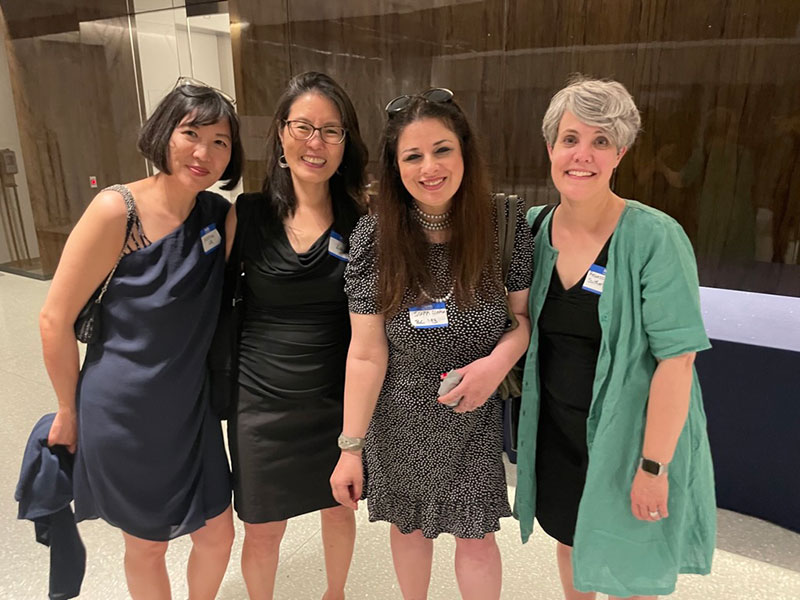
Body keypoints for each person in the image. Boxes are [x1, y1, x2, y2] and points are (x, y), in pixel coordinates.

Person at [513, 75, 716, 599]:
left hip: (631, 441)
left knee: (631, 559)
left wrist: (654, 466)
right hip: (559, 434)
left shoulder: (654, 237)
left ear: (620, 152)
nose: (583, 154)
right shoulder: (532, 230)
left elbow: (679, 360)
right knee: (573, 540)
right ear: (550, 147)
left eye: (601, 141)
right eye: (571, 138)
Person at [40, 79, 243, 600]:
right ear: (163, 133)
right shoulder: (117, 209)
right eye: (190, 133)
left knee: (218, 533)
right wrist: (67, 408)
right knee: (148, 545)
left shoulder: (217, 215)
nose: (204, 152)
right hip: (126, 409)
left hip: (191, 406)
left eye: (220, 141)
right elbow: (53, 318)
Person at [330, 88, 532, 600]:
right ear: (395, 167)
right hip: (398, 412)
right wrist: (350, 448)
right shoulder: (375, 237)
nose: (429, 167)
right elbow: (366, 351)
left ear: (464, 151)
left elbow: (521, 321)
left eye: (442, 150)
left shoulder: (504, 225)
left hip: (473, 409)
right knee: (408, 528)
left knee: (479, 538)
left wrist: (494, 366)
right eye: (412, 156)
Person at [225, 71, 368, 600]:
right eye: (304, 126)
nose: (317, 142)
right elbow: (210, 302)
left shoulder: (362, 222)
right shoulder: (249, 214)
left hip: (334, 396)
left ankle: (336, 593)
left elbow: (374, 326)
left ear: (346, 143)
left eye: (332, 131)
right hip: (259, 400)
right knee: (261, 526)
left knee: (339, 506)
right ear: (281, 134)